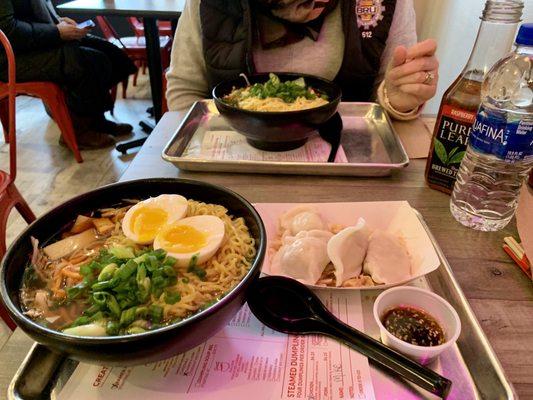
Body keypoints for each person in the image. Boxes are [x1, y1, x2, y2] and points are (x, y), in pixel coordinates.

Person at [166, 0, 439, 121]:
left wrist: (397, 100)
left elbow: (388, 96)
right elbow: (185, 92)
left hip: (345, 164)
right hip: (232, 162)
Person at [0, 0, 137, 149]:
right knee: (87, 60)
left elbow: (29, 14)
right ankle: (78, 131)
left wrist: (57, 21)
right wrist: (56, 31)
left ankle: (96, 121)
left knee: (109, 53)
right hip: (9, 60)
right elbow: (9, 29)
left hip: (30, 47)